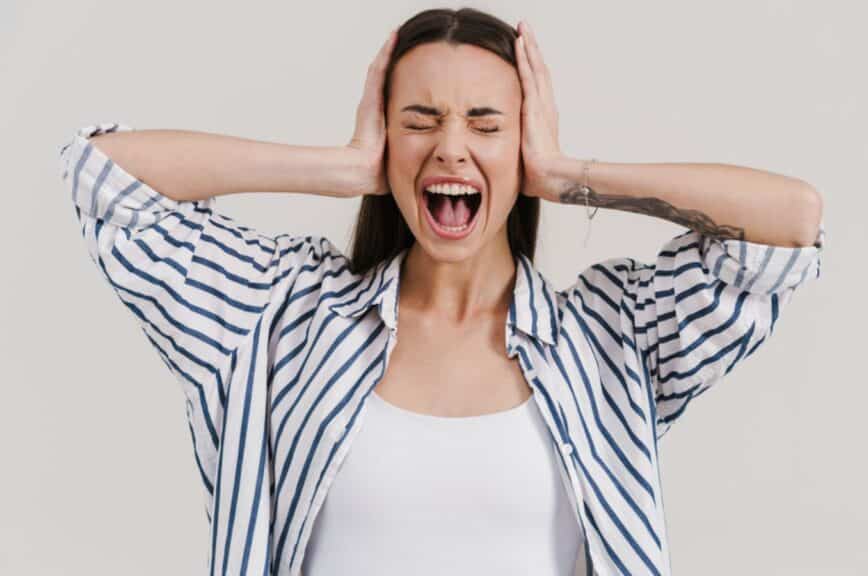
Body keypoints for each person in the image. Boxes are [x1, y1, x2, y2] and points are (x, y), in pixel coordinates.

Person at [57, 7, 825, 576]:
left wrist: (563, 174)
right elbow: (104, 175)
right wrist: (344, 168)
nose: (450, 147)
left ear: (521, 143)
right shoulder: (282, 316)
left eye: (486, 125)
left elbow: (788, 222)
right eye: (419, 121)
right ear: (384, 134)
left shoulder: (608, 338)